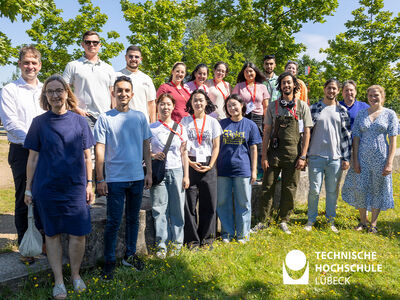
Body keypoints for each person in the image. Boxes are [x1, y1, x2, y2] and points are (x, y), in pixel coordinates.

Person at [24, 75, 94, 299]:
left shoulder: (80, 121)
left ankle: (75, 276)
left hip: (75, 187)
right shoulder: (38, 123)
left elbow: (87, 157)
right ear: (45, 95)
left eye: (59, 90)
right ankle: (58, 281)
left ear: (67, 92)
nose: (55, 95)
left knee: (78, 234)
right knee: (52, 235)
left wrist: (90, 184)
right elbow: (32, 158)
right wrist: (28, 188)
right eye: (50, 91)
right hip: (47, 188)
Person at [94, 76, 152, 279]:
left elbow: (146, 145)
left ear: (132, 94)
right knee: (113, 221)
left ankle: (130, 255)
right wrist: (100, 179)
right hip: (115, 179)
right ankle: (109, 261)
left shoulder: (140, 117)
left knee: (133, 219)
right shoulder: (105, 118)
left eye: (127, 90)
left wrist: (149, 172)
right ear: (114, 93)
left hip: (136, 177)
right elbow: (99, 149)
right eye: (119, 90)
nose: (123, 94)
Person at [0, 45, 45, 264]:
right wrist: (35, 141)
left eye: (34, 63)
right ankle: (26, 247)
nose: (30, 66)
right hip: (21, 150)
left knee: (45, 196)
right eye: (26, 62)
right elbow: (11, 123)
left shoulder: (46, 89)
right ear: (20, 64)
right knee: (24, 198)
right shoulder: (10, 90)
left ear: (40, 65)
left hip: (46, 151)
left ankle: (44, 242)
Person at [256, 72, 312, 234]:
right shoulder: (273, 106)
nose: (286, 85)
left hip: (294, 154)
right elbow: (266, 132)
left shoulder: (302, 107)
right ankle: (263, 220)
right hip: (274, 153)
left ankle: (284, 220)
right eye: (283, 83)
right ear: (280, 86)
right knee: (267, 187)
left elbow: (307, 133)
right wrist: (264, 156)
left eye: (289, 83)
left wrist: (303, 156)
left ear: (295, 85)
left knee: (290, 188)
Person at [341, 85, 398, 233]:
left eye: (376, 95)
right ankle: (362, 222)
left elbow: (393, 141)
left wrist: (389, 162)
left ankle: (373, 223)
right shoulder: (361, 114)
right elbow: (356, 139)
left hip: (381, 157)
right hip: (362, 157)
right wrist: (355, 160)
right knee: (360, 188)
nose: (373, 98)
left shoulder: (390, 114)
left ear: (382, 96)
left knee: (377, 190)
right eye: (370, 96)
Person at [305, 79, 351, 233]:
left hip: (335, 158)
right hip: (315, 156)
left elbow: (346, 136)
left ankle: (330, 220)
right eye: (329, 88)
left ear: (338, 91)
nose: (331, 91)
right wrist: (304, 156)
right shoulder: (314, 108)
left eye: (334, 89)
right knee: (314, 190)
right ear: (324, 89)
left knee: (332, 192)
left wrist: (346, 158)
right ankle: (311, 219)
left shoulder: (342, 111)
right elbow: (306, 133)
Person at [217, 94, 262, 243]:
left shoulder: (250, 125)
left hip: (242, 170)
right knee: (223, 202)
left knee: (243, 202)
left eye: (234, 104)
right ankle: (227, 234)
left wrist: (254, 170)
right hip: (223, 170)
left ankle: (243, 235)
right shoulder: (221, 124)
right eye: (229, 106)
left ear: (242, 105)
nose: (232, 108)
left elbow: (254, 149)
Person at [150, 94, 190, 258]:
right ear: (157, 106)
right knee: (159, 209)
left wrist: (186, 175)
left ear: (173, 107)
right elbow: (145, 151)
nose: (165, 107)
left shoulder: (180, 128)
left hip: (176, 170)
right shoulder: (150, 128)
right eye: (162, 104)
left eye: (168, 104)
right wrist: (153, 156)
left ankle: (177, 244)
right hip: (158, 173)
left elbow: (184, 153)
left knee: (177, 209)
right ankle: (161, 246)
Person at [181, 89, 222, 249]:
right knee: (189, 204)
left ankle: (207, 239)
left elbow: (217, 146)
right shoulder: (185, 122)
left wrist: (211, 165)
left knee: (209, 203)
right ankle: (192, 240)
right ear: (191, 103)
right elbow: (183, 147)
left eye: (201, 100)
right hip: (190, 164)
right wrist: (190, 164)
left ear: (206, 103)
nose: (198, 103)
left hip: (208, 164)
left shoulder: (213, 122)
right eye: (195, 100)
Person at [63, 30, 115, 127]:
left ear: (100, 45)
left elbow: (113, 95)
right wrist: (75, 108)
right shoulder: (72, 65)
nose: (92, 44)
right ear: (82, 44)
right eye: (88, 42)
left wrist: (115, 115)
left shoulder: (109, 68)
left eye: (95, 42)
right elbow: (64, 90)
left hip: (106, 118)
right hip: (82, 117)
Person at [233, 62, 270, 181]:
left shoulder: (262, 86)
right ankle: (245, 169)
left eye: (251, 71)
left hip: (258, 118)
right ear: (243, 73)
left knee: (258, 145)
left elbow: (266, 106)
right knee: (243, 144)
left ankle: (259, 171)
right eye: (246, 71)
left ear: (255, 72)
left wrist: (267, 122)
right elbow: (233, 102)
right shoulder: (239, 86)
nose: (249, 73)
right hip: (243, 118)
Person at [116, 45, 157, 123]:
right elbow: (113, 100)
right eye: (130, 56)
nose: (133, 59)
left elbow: (151, 104)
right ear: (125, 57)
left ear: (141, 59)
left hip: (142, 123)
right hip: (121, 122)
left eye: (136, 57)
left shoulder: (147, 79)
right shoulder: (117, 76)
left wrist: (153, 125)